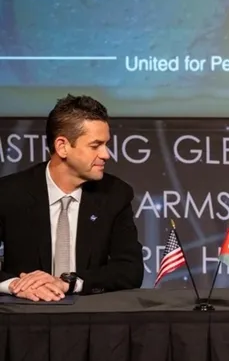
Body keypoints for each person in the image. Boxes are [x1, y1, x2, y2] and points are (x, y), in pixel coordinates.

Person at [0, 94, 144, 301]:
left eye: (106, 144)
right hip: (23, 313)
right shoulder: (8, 193)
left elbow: (130, 270)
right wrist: (14, 285)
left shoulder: (115, 194)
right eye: (95, 145)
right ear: (62, 146)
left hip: (88, 315)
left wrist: (69, 282)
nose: (106, 154)